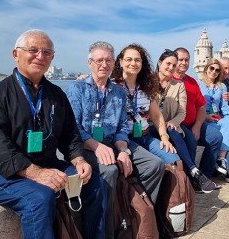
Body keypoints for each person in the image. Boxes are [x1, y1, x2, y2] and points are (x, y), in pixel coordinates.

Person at [0, 29, 106, 239]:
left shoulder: (56, 94)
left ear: (52, 58)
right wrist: (35, 173)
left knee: (95, 183)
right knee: (39, 197)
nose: (40, 56)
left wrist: (79, 159)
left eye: (46, 52)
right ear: (15, 54)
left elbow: (70, 135)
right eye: (33, 50)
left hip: (46, 163)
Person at [66, 41, 165, 238]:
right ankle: (109, 231)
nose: (104, 64)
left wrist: (123, 150)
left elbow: (121, 128)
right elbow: (72, 128)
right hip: (86, 144)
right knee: (109, 170)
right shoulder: (77, 89)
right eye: (99, 60)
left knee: (155, 165)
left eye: (108, 60)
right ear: (89, 62)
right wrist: (96, 146)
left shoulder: (118, 93)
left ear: (114, 64)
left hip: (113, 143)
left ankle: (135, 214)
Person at [156, 49, 217, 193]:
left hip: (177, 124)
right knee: (178, 133)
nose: (172, 67)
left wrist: (176, 123)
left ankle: (196, 177)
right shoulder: (149, 83)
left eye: (185, 60)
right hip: (155, 126)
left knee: (189, 137)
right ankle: (194, 171)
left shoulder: (181, 85)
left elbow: (183, 111)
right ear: (160, 63)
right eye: (169, 63)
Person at [110, 43, 180, 164]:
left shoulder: (145, 87)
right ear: (121, 61)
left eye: (137, 60)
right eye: (129, 59)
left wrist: (164, 137)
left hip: (145, 136)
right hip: (125, 140)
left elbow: (157, 116)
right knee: (153, 163)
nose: (133, 63)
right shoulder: (112, 87)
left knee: (173, 159)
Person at [172, 47, 223, 181]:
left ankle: (205, 175)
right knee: (191, 141)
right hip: (177, 125)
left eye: (186, 60)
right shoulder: (168, 79)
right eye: (180, 60)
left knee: (216, 137)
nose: (183, 63)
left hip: (194, 123)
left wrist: (198, 125)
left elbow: (201, 107)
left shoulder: (192, 81)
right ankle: (192, 178)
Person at [197, 58, 229, 183]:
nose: (214, 72)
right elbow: (196, 106)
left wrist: (226, 118)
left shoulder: (222, 86)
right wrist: (205, 117)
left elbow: (225, 106)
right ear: (206, 68)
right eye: (212, 68)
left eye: (217, 70)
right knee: (226, 134)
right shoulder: (198, 84)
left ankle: (221, 159)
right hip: (204, 118)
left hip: (217, 118)